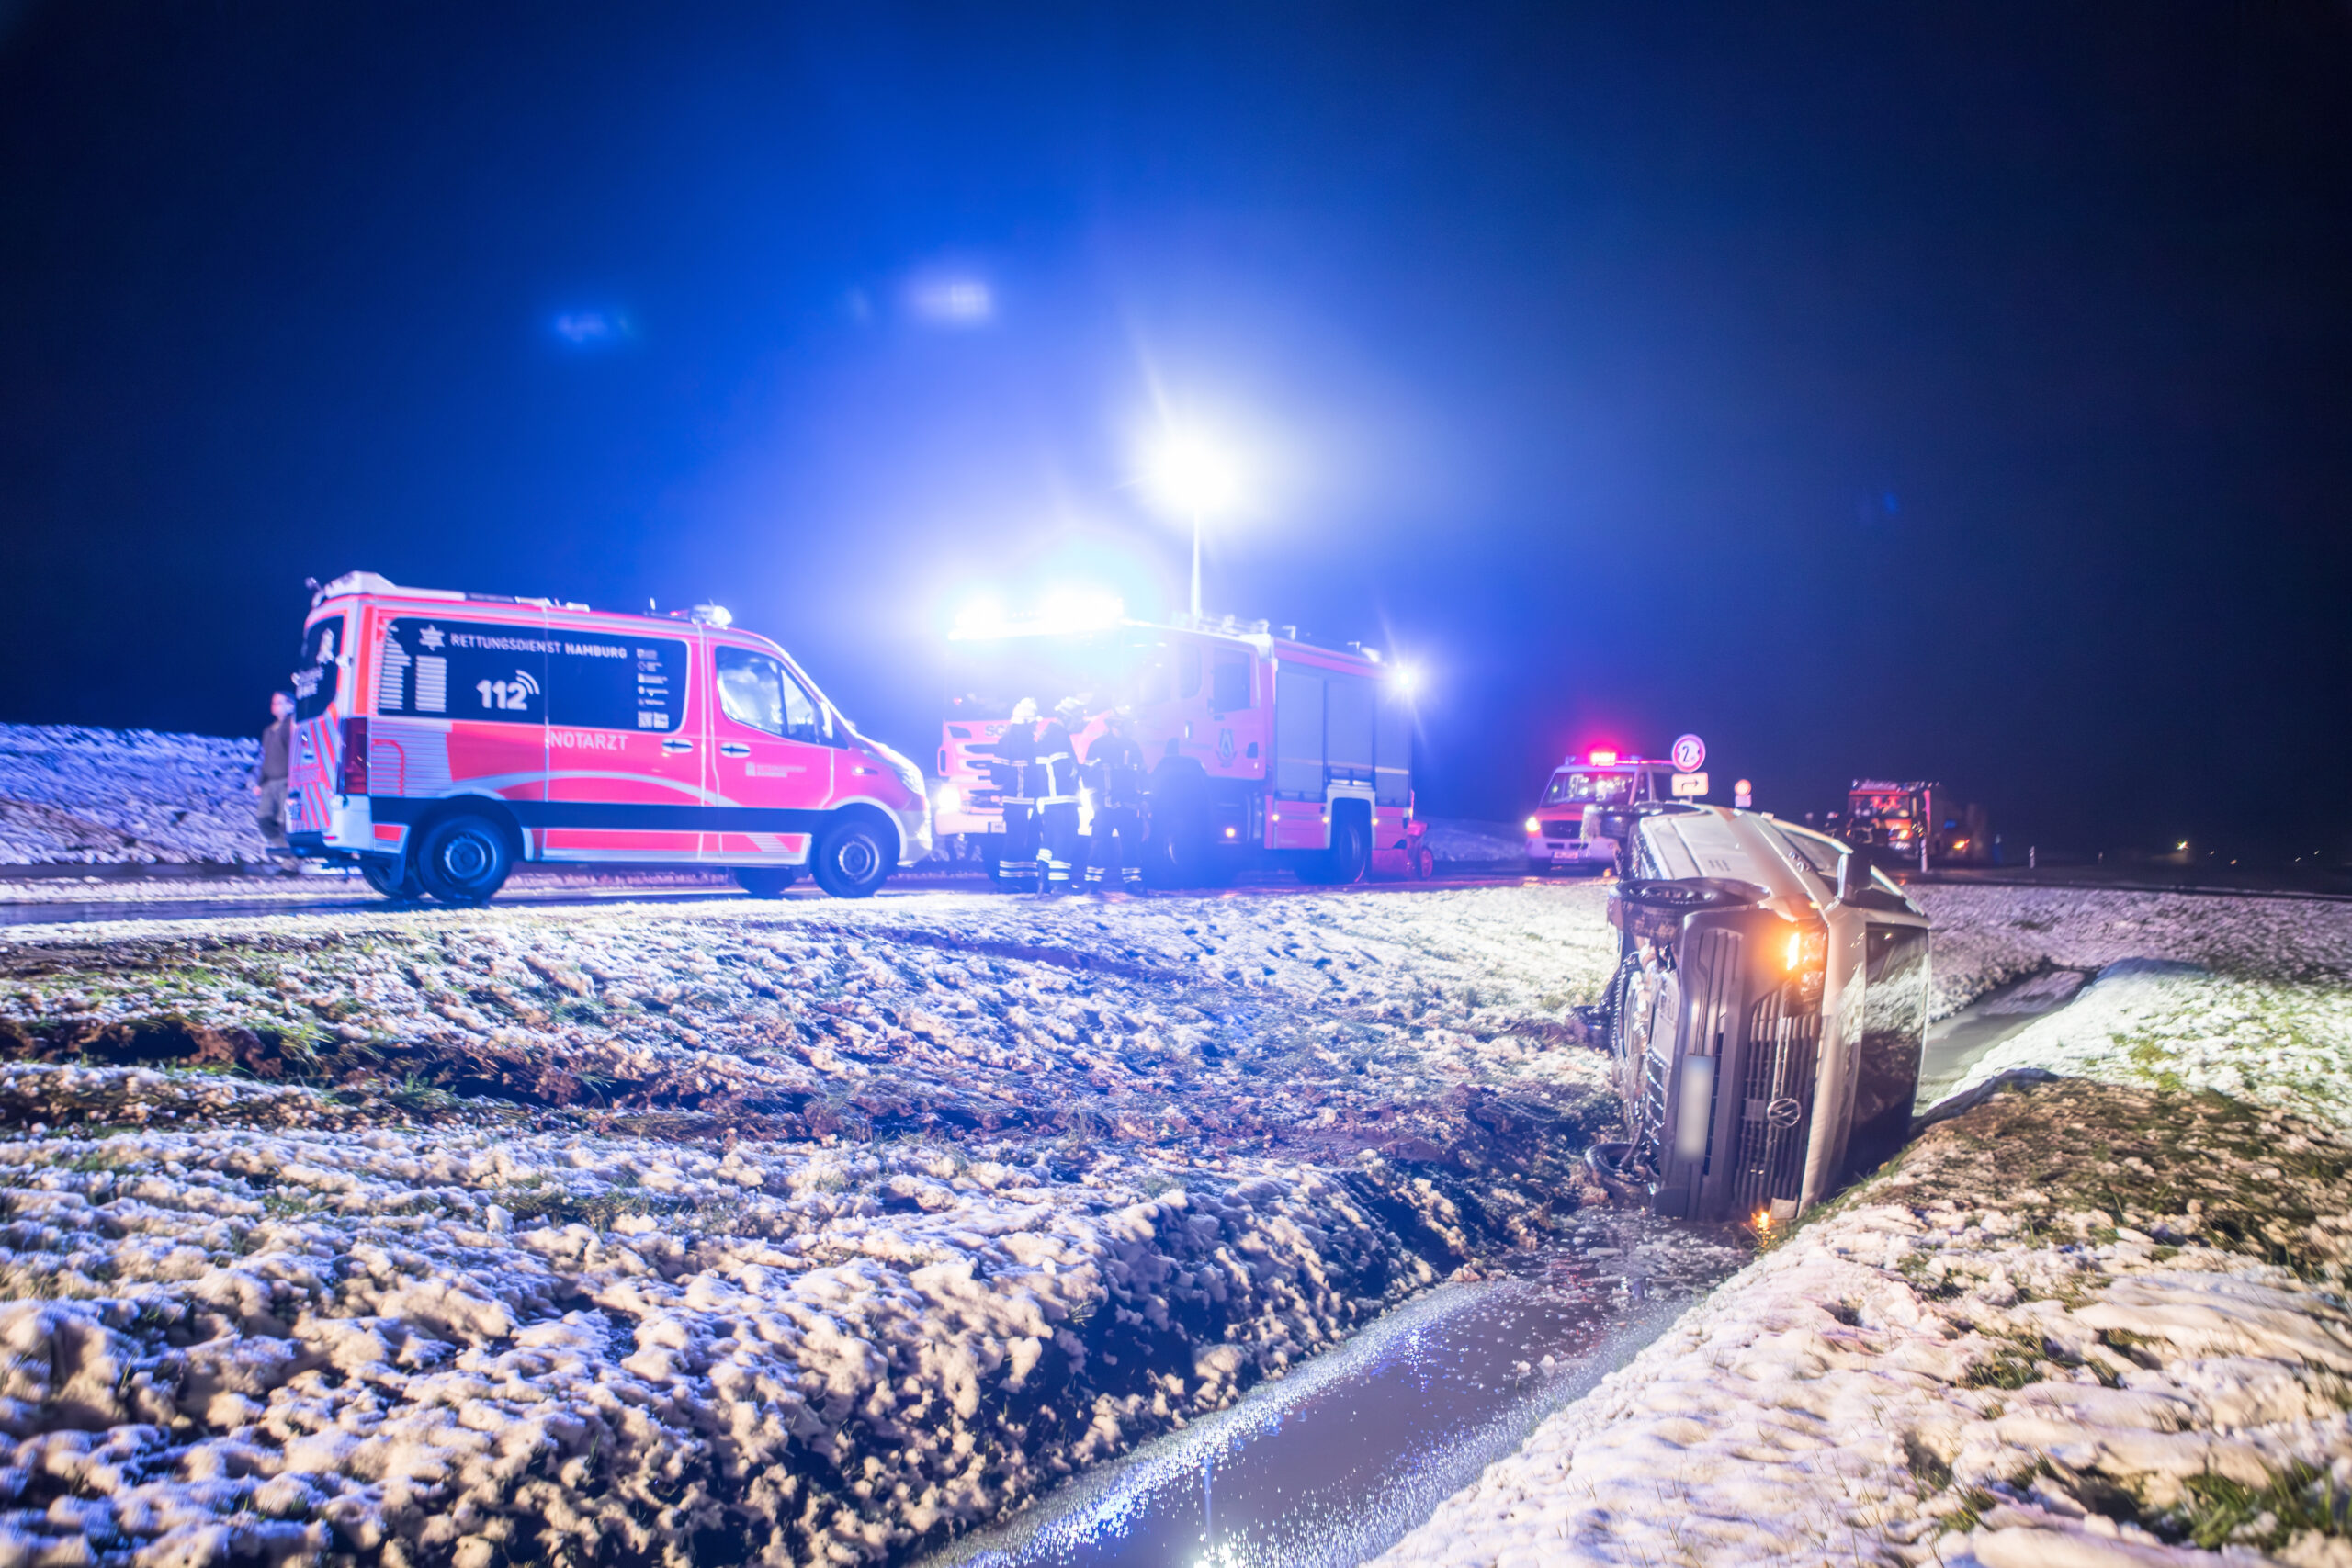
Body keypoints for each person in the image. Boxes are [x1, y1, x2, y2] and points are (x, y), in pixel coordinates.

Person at [1082, 706, 1149, 895]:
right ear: (1118, 724)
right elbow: (1087, 776)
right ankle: (1092, 883)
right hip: (1105, 805)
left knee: (1131, 844)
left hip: (1128, 804)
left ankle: (1133, 881)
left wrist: (1144, 798)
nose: (1132, 728)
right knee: (1098, 842)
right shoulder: (1098, 746)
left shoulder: (1133, 746)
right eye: (1129, 724)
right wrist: (1096, 802)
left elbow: (1142, 774)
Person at [1032, 698, 1086, 897]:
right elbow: (1065, 766)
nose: (1078, 723)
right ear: (1068, 717)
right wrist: (1080, 770)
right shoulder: (1059, 734)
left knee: (1050, 840)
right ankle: (1060, 884)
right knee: (1066, 839)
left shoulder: (1048, 733)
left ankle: (1043, 880)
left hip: (1048, 798)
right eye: (1077, 718)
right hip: (1062, 797)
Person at [991, 698, 1041, 889]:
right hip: (1019, 800)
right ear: (1027, 722)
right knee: (1017, 840)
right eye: (1034, 722)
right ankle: (1008, 881)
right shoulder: (1013, 743)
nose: (1037, 725)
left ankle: (1025, 878)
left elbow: (997, 776)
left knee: (1026, 839)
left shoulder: (1024, 742)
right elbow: (998, 773)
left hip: (1023, 800)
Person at [255, 691, 295, 854]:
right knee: (263, 819)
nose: (274, 706)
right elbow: (267, 758)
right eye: (274, 703)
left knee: (286, 822)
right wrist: (260, 783)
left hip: (287, 782)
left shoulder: (293, 726)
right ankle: (288, 852)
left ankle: (291, 862)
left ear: (290, 705)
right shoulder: (269, 731)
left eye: (279, 702)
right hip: (270, 783)